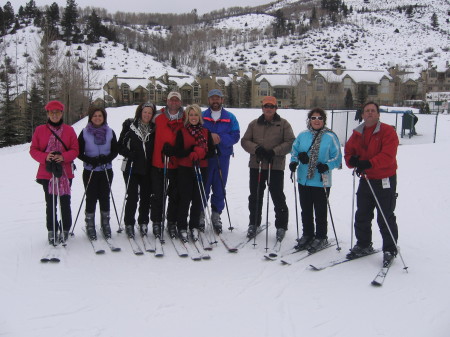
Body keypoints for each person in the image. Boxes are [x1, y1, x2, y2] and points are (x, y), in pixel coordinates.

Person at [344, 101, 399, 265]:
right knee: (362, 213)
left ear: (378, 114)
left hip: (384, 179)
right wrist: (353, 161)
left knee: (385, 215)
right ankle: (363, 243)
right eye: (367, 111)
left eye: (373, 111)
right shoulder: (357, 133)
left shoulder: (387, 131)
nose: (369, 113)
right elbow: (348, 152)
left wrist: (368, 163)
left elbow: (388, 155)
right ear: (362, 115)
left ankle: (390, 248)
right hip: (366, 179)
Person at [241, 96, 295, 241]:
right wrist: (256, 149)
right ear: (262, 108)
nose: (269, 108)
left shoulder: (283, 124)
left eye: (271, 106)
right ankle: (254, 223)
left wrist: (275, 151)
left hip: (275, 165)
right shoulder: (254, 124)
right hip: (257, 165)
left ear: (276, 108)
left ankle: (281, 226)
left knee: (277, 196)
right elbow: (245, 141)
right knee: (255, 196)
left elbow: (290, 142)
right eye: (266, 106)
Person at [289, 108, 342, 252]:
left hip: (321, 180)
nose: (316, 120)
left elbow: (337, 158)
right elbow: (294, 151)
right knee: (305, 209)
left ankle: (321, 236)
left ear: (324, 120)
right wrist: (295, 161)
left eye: (319, 118)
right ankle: (308, 234)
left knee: (320, 210)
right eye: (313, 118)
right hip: (303, 179)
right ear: (309, 120)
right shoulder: (302, 135)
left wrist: (327, 165)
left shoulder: (330, 137)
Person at [30, 100, 79, 245]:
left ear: (62, 113)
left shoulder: (69, 130)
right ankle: (52, 229)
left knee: (65, 201)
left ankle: (65, 228)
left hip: (65, 172)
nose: (55, 115)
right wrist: (46, 157)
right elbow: (33, 150)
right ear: (48, 114)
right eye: (52, 112)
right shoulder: (40, 130)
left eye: (57, 112)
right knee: (50, 203)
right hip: (47, 173)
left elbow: (75, 150)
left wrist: (63, 157)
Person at [171, 104, 215, 241]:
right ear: (187, 117)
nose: (193, 117)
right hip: (185, 168)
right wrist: (190, 152)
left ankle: (194, 226)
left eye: (196, 114)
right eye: (191, 115)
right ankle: (182, 226)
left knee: (197, 199)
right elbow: (177, 152)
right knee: (185, 198)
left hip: (202, 167)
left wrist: (202, 153)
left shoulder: (206, 132)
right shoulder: (182, 132)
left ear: (199, 116)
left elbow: (212, 152)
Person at [201, 89, 240, 233]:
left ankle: (216, 215)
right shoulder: (202, 116)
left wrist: (220, 139)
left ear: (222, 100)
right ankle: (200, 215)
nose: (215, 101)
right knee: (203, 185)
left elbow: (235, 135)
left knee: (219, 186)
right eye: (212, 98)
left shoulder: (230, 117)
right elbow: (195, 131)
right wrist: (208, 137)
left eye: (218, 98)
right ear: (209, 100)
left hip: (222, 156)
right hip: (205, 156)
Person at [77, 106, 118, 241]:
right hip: (90, 170)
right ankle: (90, 225)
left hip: (106, 169)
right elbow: (78, 152)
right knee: (91, 197)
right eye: (95, 116)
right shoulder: (84, 132)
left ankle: (105, 224)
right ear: (90, 117)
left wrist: (106, 159)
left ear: (104, 118)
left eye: (100, 116)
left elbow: (115, 151)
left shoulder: (110, 132)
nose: (97, 118)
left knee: (105, 197)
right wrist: (89, 160)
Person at [118, 102, 156, 238]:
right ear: (140, 112)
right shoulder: (130, 126)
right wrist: (129, 153)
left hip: (147, 168)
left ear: (152, 115)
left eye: (150, 113)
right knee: (133, 196)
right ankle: (129, 223)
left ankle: (143, 222)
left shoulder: (154, 129)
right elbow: (120, 146)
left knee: (146, 196)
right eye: (145, 112)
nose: (147, 115)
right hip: (131, 167)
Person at [151, 92, 185, 239]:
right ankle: (157, 221)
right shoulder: (158, 116)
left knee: (175, 195)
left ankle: (172, 222)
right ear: (167, 100)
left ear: (180, 102)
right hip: (159, 161)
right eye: (172, 99)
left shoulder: (185, 116)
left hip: (177, 162)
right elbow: (144, 121)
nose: (174, 102)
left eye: (177, 100)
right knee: (158, 195)